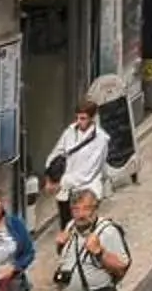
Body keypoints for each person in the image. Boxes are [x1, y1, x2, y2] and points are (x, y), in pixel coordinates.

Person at [42, 97, 109, 228]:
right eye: (77, 118)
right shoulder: (70, 132)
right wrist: (49, 176)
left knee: (84, 228)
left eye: (83, 118)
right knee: (66, 227)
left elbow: (89, 171)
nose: (79, 121)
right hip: (66, 192)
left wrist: (60, 183)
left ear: (92, 118)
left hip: (86, 191)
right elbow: (57, 152)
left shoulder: (101, 140)